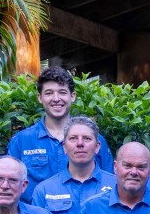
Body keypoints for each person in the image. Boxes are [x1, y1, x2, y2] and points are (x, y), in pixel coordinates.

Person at [6, 67, 114, 201]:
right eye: (49, 93)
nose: (56, 99)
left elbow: (110, 185)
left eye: (62, 92)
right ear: (40, 97)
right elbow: (8, 185)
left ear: (72, 96)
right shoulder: (22, 141)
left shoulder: (95, 140)